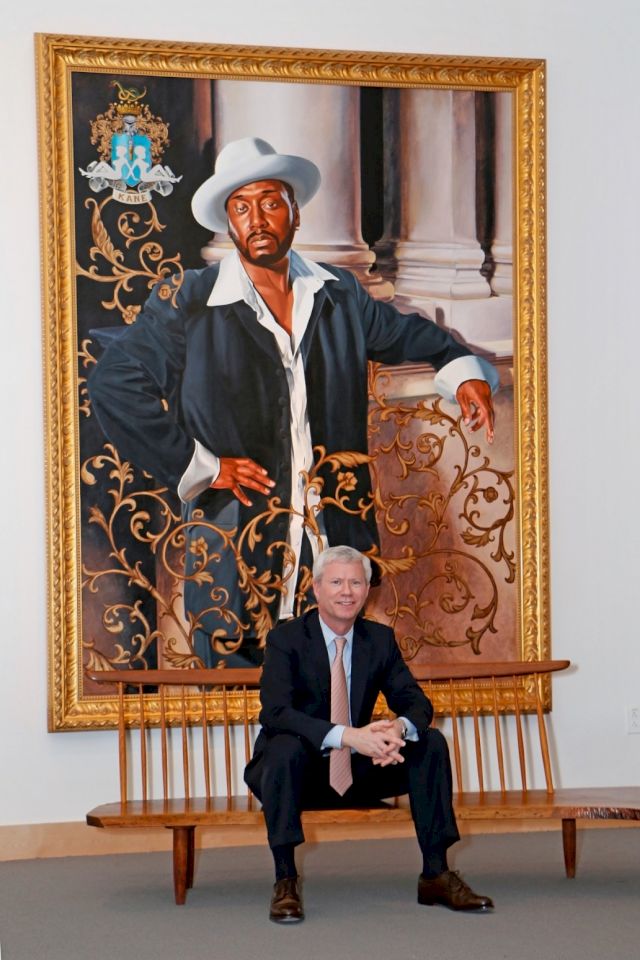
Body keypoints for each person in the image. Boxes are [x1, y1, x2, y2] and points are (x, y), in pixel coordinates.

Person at [88, 137, 499, 665]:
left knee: (332, 697)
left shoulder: (339, 294)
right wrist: (202, 466)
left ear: (295, 213)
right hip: (232, 546)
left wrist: (464, 374)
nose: (256, 218)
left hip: (334, 542)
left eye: (269, 202)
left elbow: (410, 336)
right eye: (241, 207)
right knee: (233, 699)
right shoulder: (192, 300)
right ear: (228, 223)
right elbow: (115, 383)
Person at [244, 544, 494, 922]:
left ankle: (436, 874)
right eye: (337, 582)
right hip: (297, 774)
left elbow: (418, 705)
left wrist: (396, 730)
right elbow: (276, 713)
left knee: (429, 743)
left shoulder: (378, 640)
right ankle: (285, 880)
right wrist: (349, 736)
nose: (347, 591)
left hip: (357, 770)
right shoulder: (287, 639)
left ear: (366, 590)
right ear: (316, 588)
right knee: (283, 748)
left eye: (356, 583)